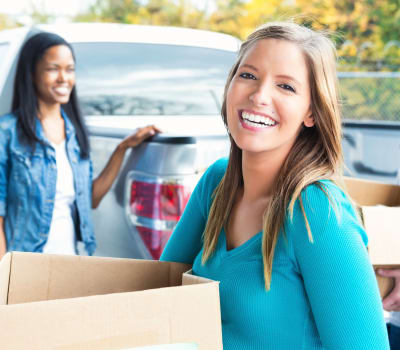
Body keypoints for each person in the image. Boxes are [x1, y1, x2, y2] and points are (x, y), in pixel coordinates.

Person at [160, 21, 389, 349]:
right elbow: (158, 291)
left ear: (311, 112)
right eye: (249, 75)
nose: (259, 96)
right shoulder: (218, 181)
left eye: (286, 87)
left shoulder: (316, 211)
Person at [0, 32, 160, 258]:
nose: (63, 78)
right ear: (31, 73)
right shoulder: (7, 132)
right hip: (23, 265)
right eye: (53, 68)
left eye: (70, 69)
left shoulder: (74, 133)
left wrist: (122, 149)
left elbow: (91, 200)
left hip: (70, 261)